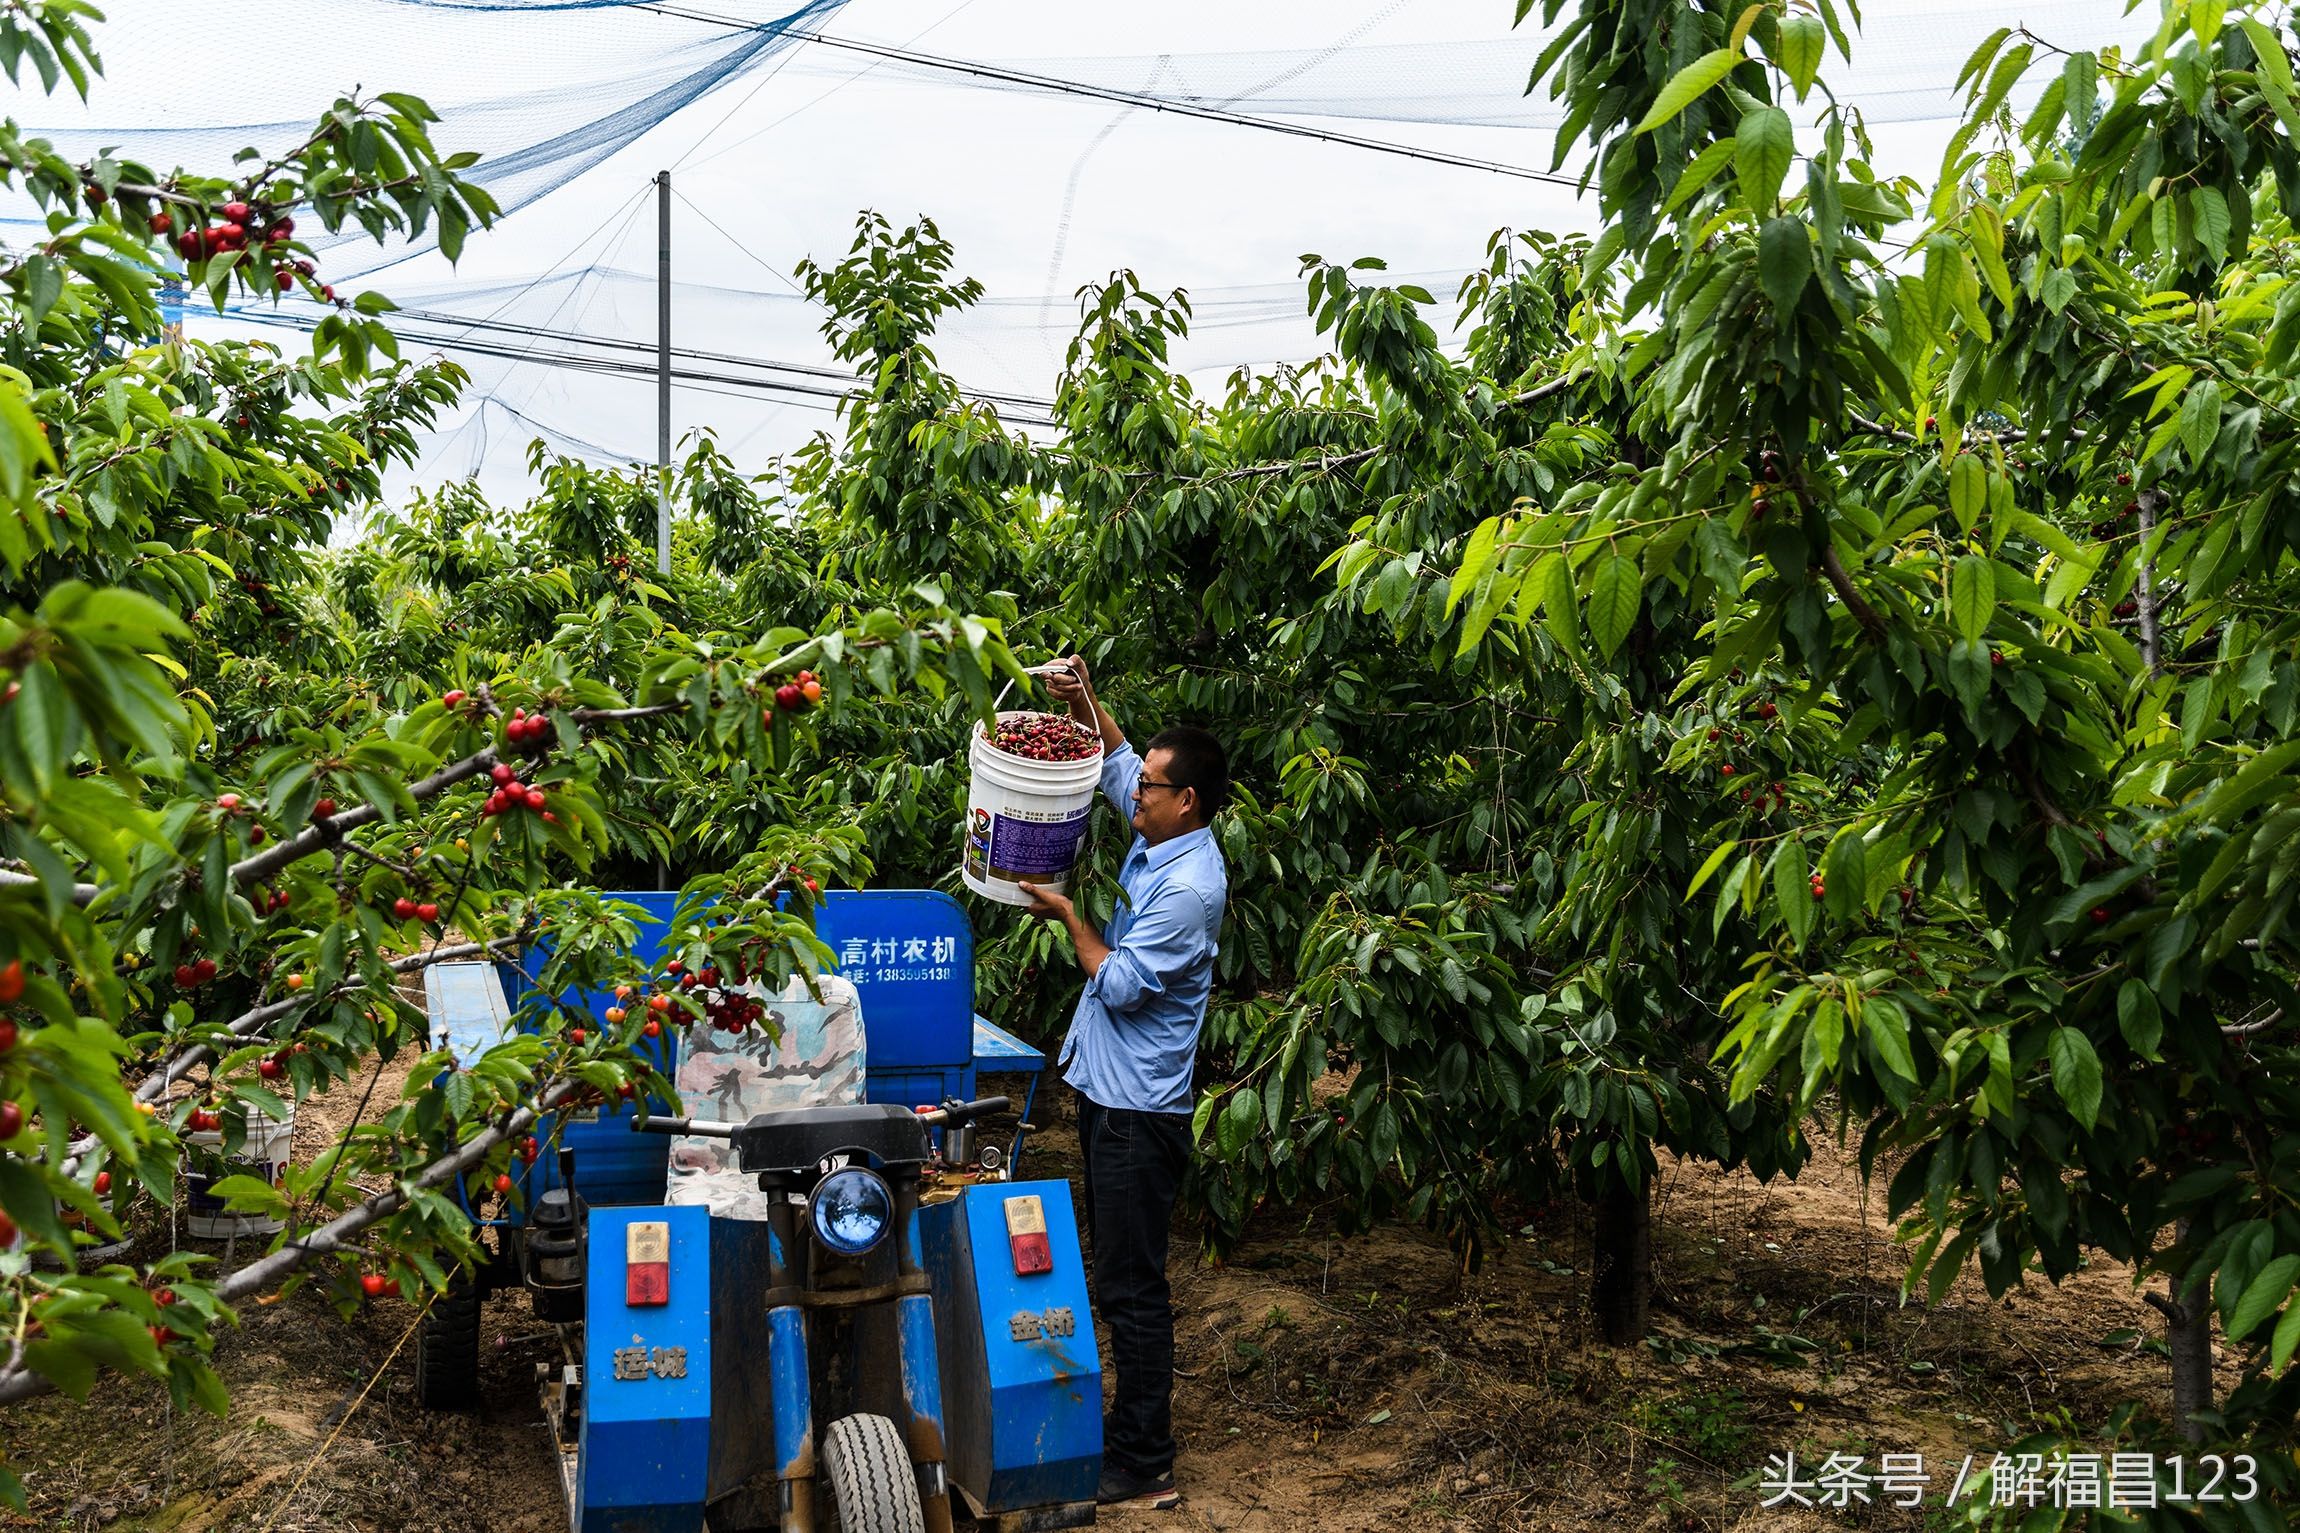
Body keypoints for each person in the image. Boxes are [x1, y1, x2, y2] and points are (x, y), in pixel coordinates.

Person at [1016, 654, 1229, 1512]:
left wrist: (1070, 914)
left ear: (1190, 804)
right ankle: (1130, 1432)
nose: (1133, 793)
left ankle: (1146, 1460)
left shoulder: (1189, 886)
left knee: (1133, 1285)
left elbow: (1124, 984)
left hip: (1141, 1116)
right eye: (1140, 783)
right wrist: (1087, 700)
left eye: (1150, 787)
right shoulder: (1160, 832)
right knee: (1113, 1275)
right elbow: (1114, 762)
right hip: (1110, 1095)